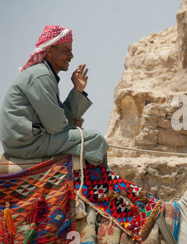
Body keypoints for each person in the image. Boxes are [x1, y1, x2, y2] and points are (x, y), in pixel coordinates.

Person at [0, 25, 109, 165]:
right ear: (50, 51)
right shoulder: (41, 75)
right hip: (27, 143)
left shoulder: (46, 75)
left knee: (87, 137)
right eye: (66, 50)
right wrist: (76, 131)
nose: (71, 56)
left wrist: (78, 90)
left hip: (28, 141)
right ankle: (104, 185)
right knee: (95, 139)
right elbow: (56, 126)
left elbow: (61, 121)